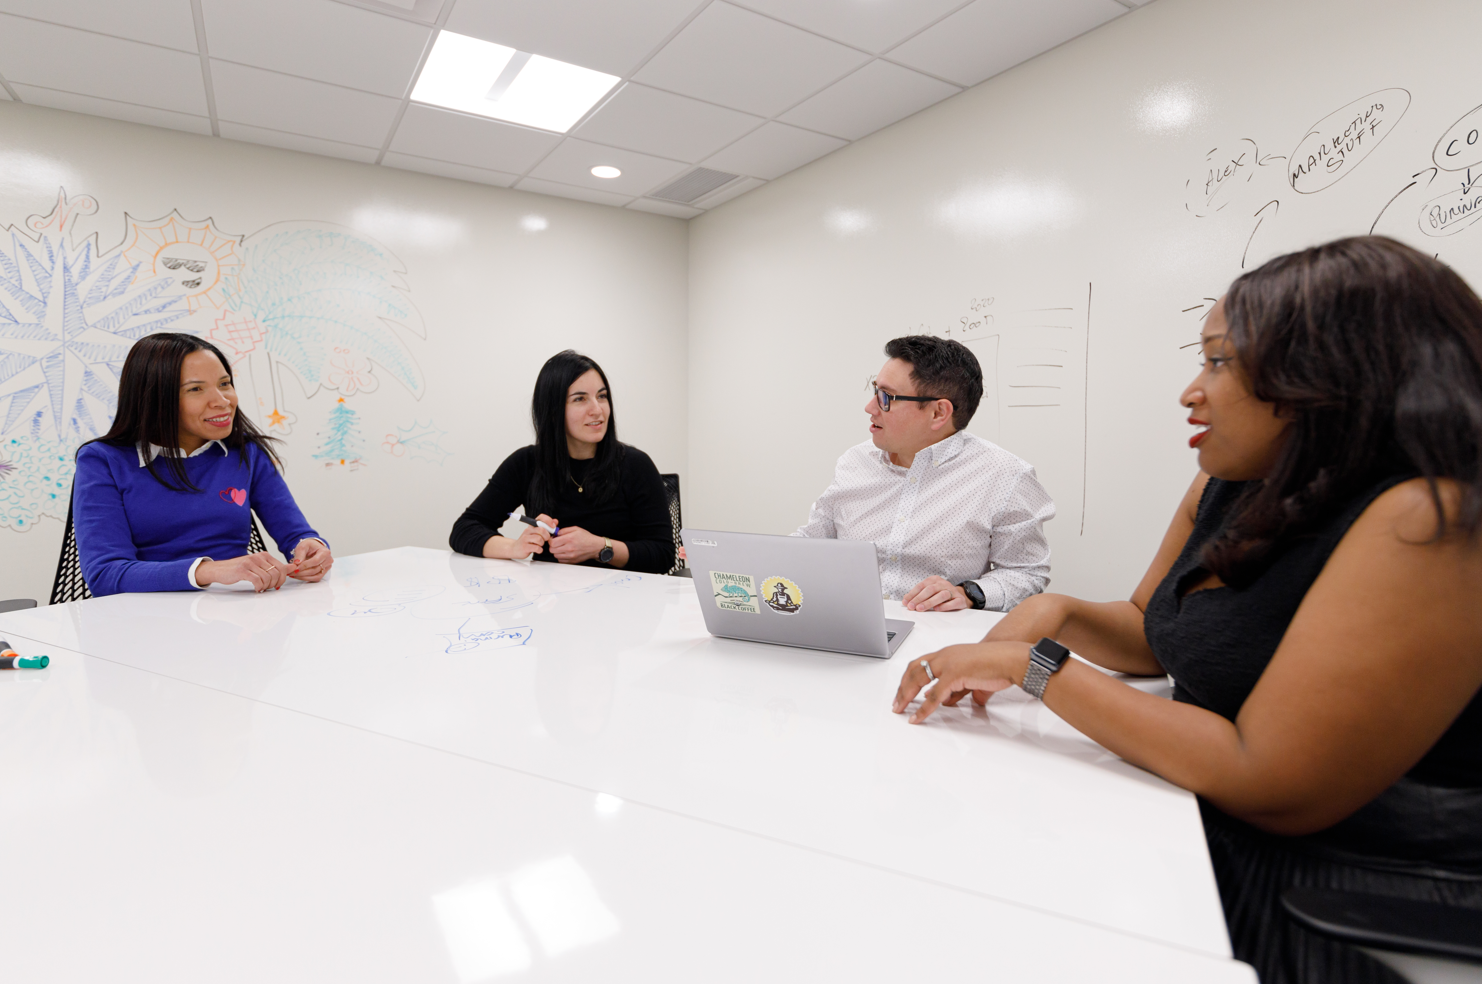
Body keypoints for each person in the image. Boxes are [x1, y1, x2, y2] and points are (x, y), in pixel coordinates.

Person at [892, 237, 1482, 984]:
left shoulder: (1432, 518)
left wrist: (1034, 665)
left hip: (1348, 889)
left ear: (1327, 375)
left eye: (1218, 362)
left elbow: (1270, 780)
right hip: (1195, 818)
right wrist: (1059, 613)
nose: (1190, 391)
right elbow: (1153, 628)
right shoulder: (1228, 487)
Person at [794, 335, 1055, 612]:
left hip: (941, 640)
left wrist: (969, 593)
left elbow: (1028, 573)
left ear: (938, 413)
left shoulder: (1005, 476)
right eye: (875, 391)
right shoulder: (855, 461)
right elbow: (811, 542)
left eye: (886, 398)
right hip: (850, 623)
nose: (870, 408)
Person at [73, 333, 333, 596]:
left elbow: (296, 534)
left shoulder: (246, 451)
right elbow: (105, 574)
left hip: (238, 614)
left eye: (224, 383)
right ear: (154, 398)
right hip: (146, 621)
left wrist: (311, 548)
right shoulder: (102, 460)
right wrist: (209, 571)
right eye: (196, 389)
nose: (222, 400)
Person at [450, 350, 674, 574]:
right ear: (554, 411)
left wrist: (600, 547)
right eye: (580, 399)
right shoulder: (526, 463)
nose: (597, 410)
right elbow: (465, 529)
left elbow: (663, 555)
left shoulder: (636, 465)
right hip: (549, 601)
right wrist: (515, 547)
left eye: (602, 396)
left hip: (623, 598)